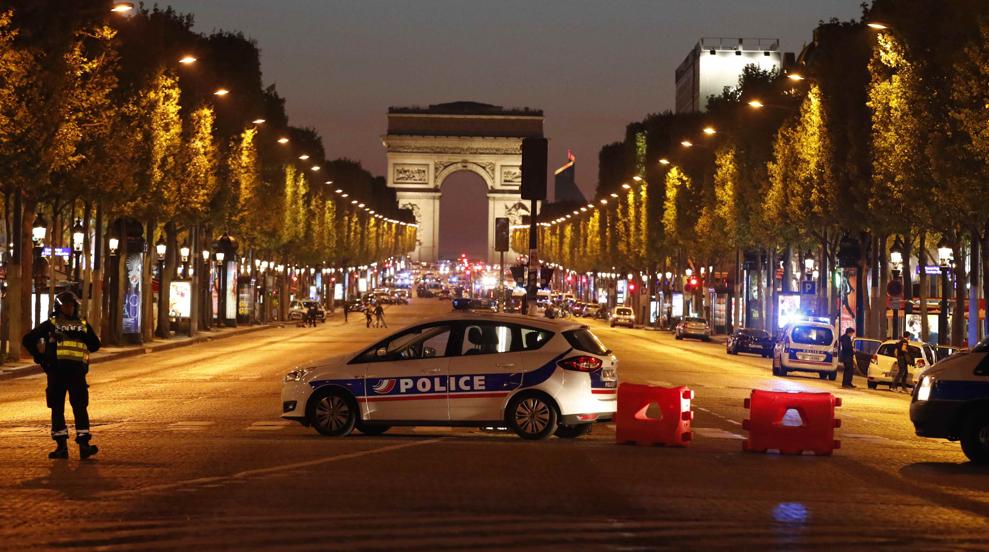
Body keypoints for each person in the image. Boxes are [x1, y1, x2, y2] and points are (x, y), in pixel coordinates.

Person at [22, 291, 101, 460]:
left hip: (76, 374)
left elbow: (95, 345)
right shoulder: (52, 324)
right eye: (66, 305)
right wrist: (40, 357)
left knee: (80, 408)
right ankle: (61, 447)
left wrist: (41, 356)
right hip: (57, 373)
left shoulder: (81, 325)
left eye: (71, 305)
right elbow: (28, 339)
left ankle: (84, 445)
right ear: (59, 307)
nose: (69, 308)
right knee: (57, 409)